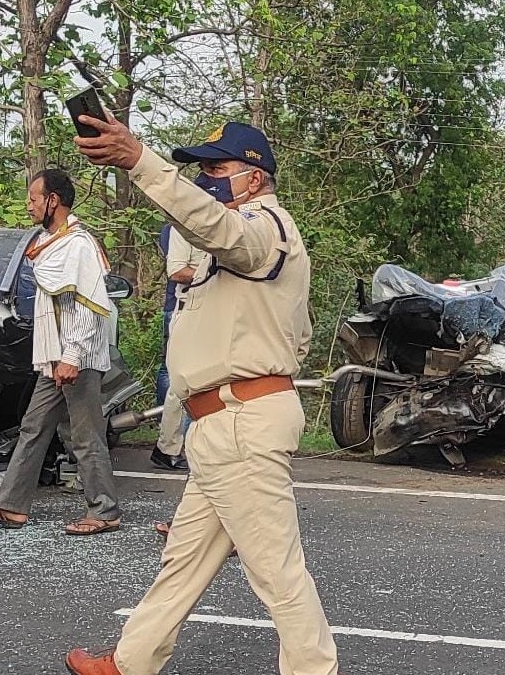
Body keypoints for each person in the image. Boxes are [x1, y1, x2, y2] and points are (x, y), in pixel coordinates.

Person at [66, 120, 340, 675]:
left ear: (254, 178)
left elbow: (218, 228)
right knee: (185, 559)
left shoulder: (263, 226)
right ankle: (132, 660)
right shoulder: (242, 246)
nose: (206, 179)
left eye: (216, 169)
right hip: (222, 423)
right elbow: (299, 334)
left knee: (276, 571)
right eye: (202, 169)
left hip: (241, 419)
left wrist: (140, 161)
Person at [0, 168, 123, 536]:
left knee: (84, 436)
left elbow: (88, 306)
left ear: (53, 200)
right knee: (34, 427)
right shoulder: (50, 242)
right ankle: (11, 507)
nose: (29, 204)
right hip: (55, 359)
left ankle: (105, 511)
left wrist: (72, 356)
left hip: (76, 358)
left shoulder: (79, 244)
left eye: (34, 198)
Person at [150, 223, 204, 472]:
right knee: (179, 382)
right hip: (185, 310)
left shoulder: (216, 227)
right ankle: (168, 447)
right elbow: (177, 271)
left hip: (209, 311)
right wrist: (215, 269)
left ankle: (189, 445)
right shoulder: (179, 229)